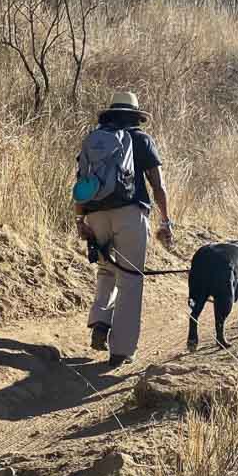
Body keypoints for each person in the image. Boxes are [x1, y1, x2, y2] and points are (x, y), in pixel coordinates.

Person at [75, 92, 173, 368]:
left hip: (95, 214)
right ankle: (121, 351)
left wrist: (80, 222)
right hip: (130, 214)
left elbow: (82, 185)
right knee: (130, 280)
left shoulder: (94, 141)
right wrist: (165, 221)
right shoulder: (141, 139)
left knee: (106, 270)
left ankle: (101, 322)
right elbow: (158, 186)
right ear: (135, 115)